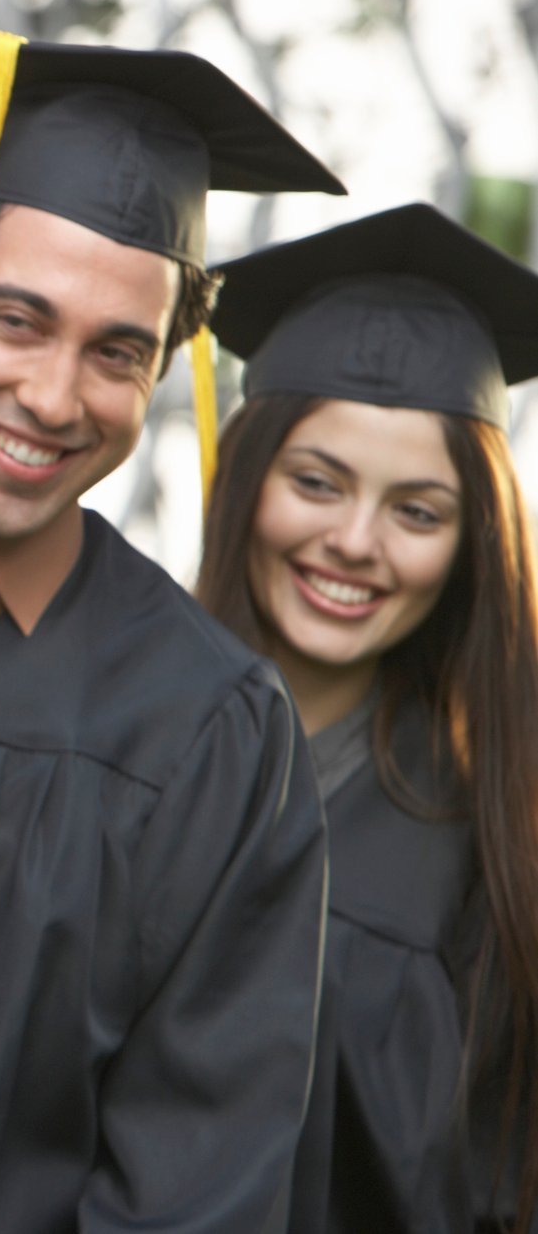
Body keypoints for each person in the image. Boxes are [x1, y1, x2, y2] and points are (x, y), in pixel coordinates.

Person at [0, 33, 343, 1232]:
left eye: (118, 352)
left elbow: (196, 1187)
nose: (56, 399)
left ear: (165, 370)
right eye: (18, 318)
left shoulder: (209, 728)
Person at [198, 203, 538, 1234]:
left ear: (469, 540)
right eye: (316, 482)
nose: (355, 541)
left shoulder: (498, 846)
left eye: (417, 511)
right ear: (248, 479)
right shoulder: (106, 754)